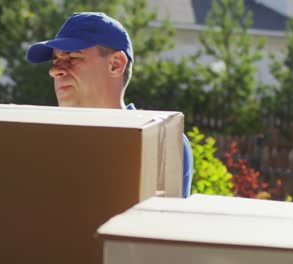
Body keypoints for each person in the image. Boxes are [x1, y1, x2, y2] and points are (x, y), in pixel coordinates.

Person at [26, 12, 193, 197]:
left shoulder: (160, 143)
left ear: (115, 64)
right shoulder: (43, 139)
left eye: (72, 57)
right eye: (55, 60)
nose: (55, 70)